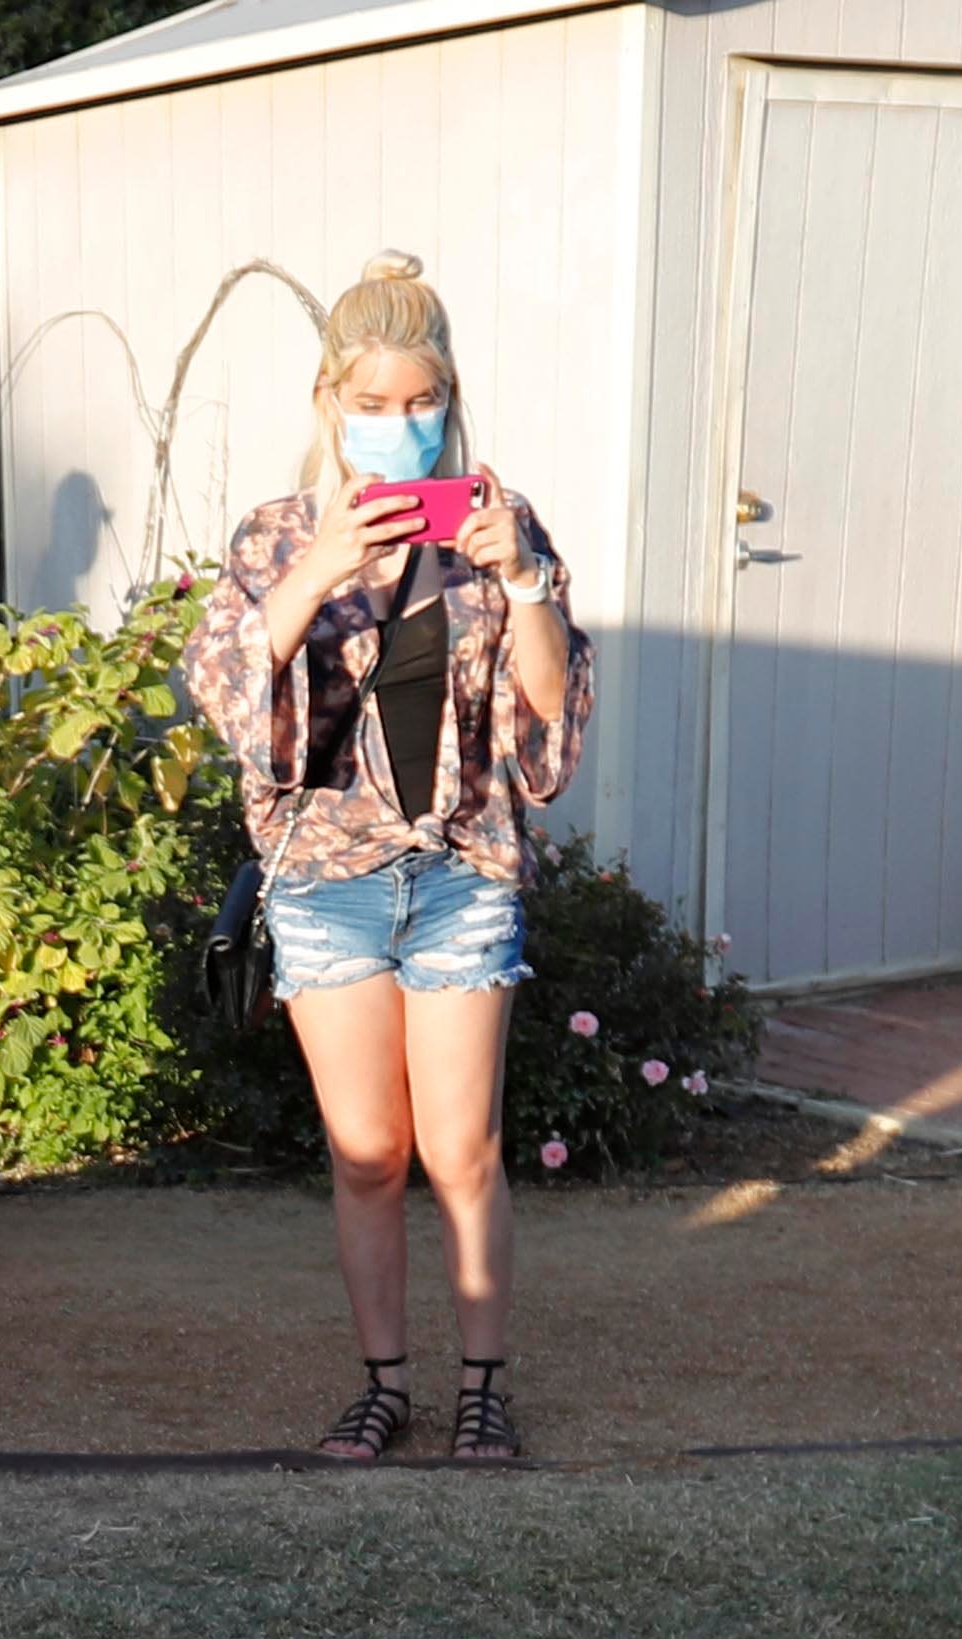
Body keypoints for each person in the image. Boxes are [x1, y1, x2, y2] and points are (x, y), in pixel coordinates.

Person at [183, 253, 591, 1465]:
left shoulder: (499, 528)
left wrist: (520, 580)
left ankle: (480, 1389)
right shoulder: (276, 535)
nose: (395, 426)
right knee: (366, 1159)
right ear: (329, 402)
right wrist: (319, 570)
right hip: (325, 879)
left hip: (461, 869)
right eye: (370, 404)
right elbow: (222, 694)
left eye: (417, 403)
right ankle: (381, 1385)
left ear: (448, 397)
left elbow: (551, 722)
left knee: (460, 1152)